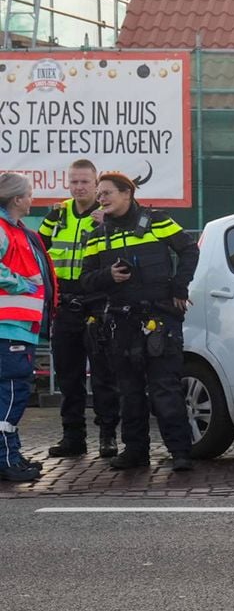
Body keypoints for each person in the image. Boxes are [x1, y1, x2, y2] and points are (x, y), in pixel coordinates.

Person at [79, 172, 199, 471]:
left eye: (106, 193)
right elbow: (85, 280)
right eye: (99, 193)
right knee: (129, 391)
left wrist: (178, 287)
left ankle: (181, 453)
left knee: (165, 388)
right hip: (120, 321)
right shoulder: (96, 236)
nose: (101, 198)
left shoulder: (157, 221)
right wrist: (108, 276)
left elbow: (188, 250)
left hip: (158, 318)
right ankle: (135, 451)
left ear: (126, 194)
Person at [39, 159, 121, 459]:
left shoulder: (107, 215)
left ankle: (108, 436)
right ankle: (73, 437)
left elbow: (122, 254)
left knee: (103, 375)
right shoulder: (58, 214)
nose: (79, 187)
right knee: (68, 377)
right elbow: (39, 249)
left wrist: (107, 226)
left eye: (85, 182)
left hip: (97, 304)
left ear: (96, 183)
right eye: (74, 181)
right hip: (64, 305)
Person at [0, 173, 56, 482]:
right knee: (12, 391)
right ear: (17, 199)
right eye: (30, 194)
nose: (32, 199)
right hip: (8, 327)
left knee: (10, 392)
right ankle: (6, 460)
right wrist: (22, 283)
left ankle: (10, 455)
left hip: (18, 326)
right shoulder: (4, 230)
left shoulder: (17, 230)